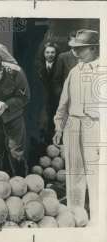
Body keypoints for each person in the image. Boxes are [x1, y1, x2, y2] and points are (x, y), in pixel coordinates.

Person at [53, 29, 100, 226]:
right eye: (75, 49)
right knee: (74, 173)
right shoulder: (74, 71)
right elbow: (64, 102)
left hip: (94, 126)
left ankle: (100, 219)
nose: (76, 53)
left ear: (93, 48)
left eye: (81, 49)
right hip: (72, 125)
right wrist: (58, 126)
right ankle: (77, 217)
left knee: (96, 172)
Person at [37, 42, 59, 144]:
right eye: (47, 52)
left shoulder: (59, 65)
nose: (50, 55)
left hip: (56, 99)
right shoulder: (38, 66)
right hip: (41, 98)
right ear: (43, 53)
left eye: (52, 52)